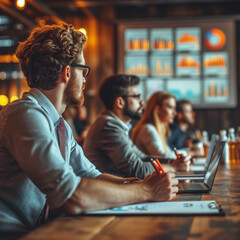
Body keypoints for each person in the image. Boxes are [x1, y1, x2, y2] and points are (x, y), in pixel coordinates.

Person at [0, 24, 180, 239]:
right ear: (67, 73)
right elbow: (73, 197)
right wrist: (147, 191)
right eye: (83, 71)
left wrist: (140, 183)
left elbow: (92, 176)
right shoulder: (24, 115)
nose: (85, 79)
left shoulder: (59, 124)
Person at [83, 74, 191, 179]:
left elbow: (142, 158)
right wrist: (173, 167)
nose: (142, 102)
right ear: (120, 102)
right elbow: (137, 170)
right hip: (108, 194)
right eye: (136, 97)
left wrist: (171, 162)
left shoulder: (116, 125)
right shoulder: (108, 126)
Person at [131, 91, 180, 159]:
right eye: (170, 107)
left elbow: (169, 152)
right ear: (157, 109)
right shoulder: (147, 129)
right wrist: (189, 153)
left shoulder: (157, 129)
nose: (175, 113)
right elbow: (163, 156)